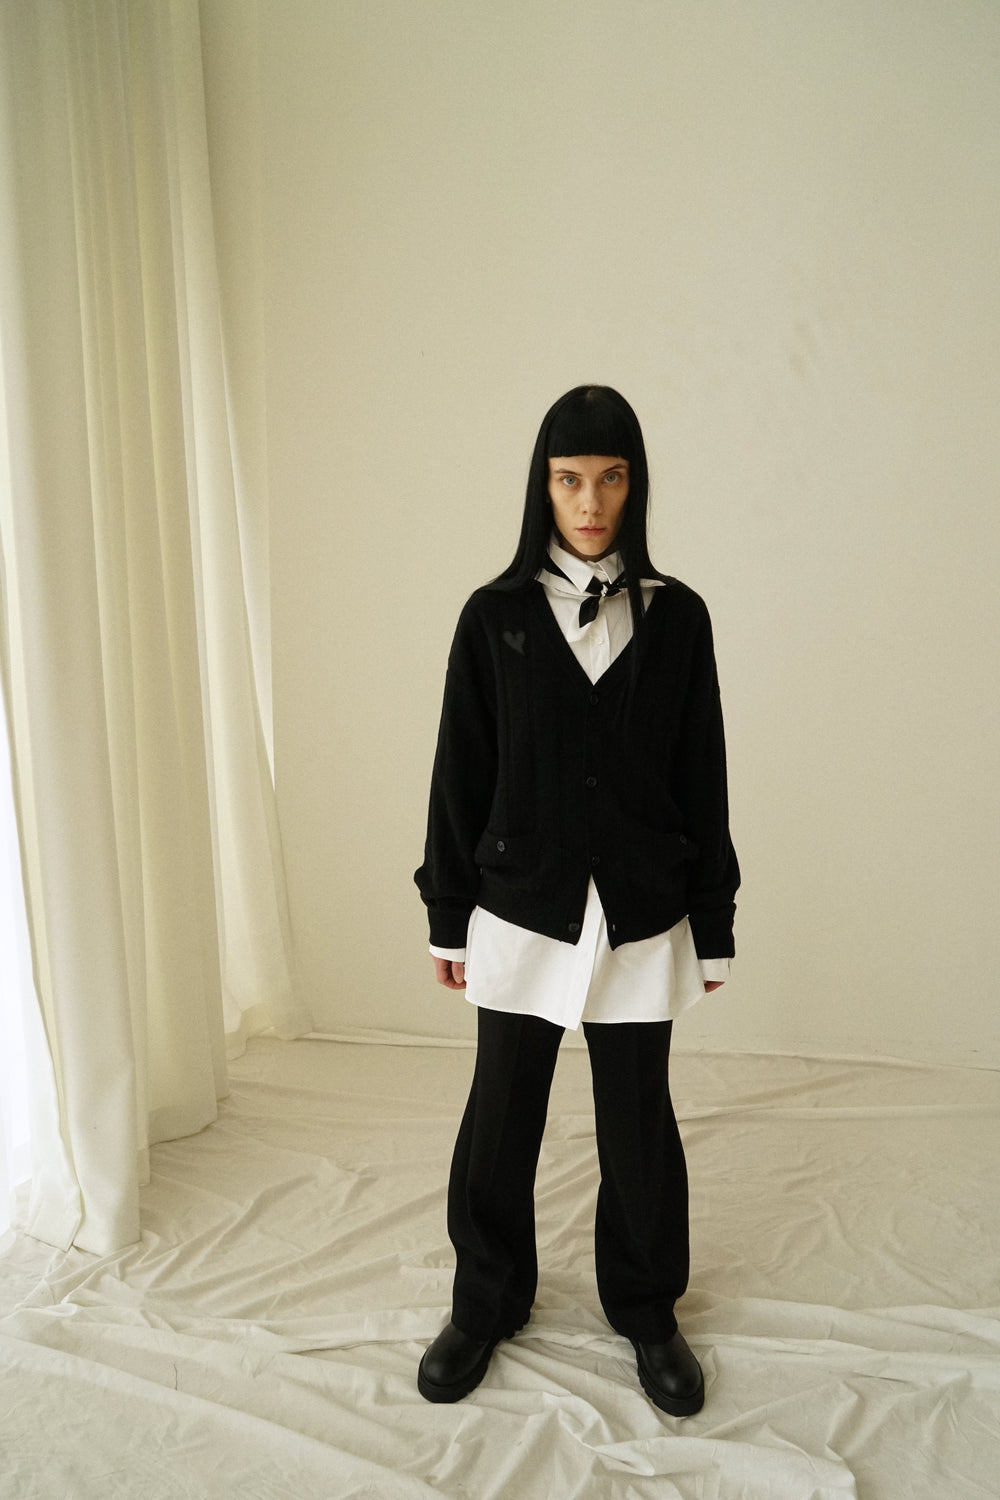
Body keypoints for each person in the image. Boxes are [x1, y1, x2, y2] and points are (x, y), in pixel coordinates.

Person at [413, 385, 739, 1417]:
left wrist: (714, 922)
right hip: (520, 908)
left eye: (609, 478)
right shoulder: (494, 618)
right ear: (542, 487)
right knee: (500, 1116)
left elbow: (702, 773)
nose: (589, 502)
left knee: (637, 1125)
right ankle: (485, 1302)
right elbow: (459, 772)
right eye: (568, 480)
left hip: (641, 914)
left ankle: (646, 1312)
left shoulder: (678, 618)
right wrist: (448, 910)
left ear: (634, 486)